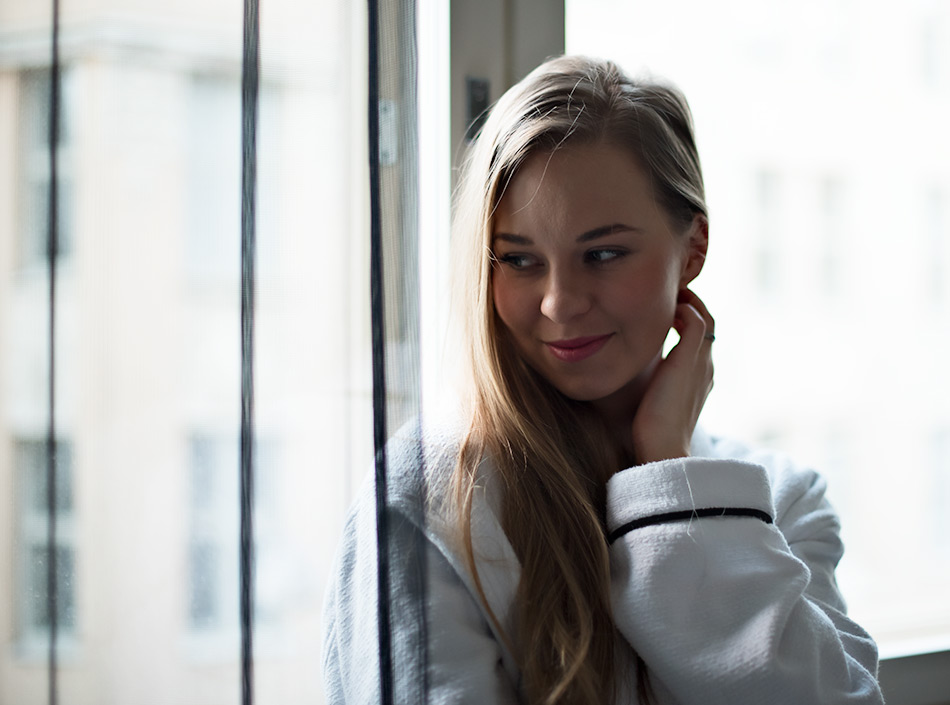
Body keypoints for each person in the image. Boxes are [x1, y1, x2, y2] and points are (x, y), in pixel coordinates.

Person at [322, 55, 884, 704]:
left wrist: (668, 471)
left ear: (693, 249)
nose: (559, 303)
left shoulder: (783, 501)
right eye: (519, 259)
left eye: (604, 253)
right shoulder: (430, 499)